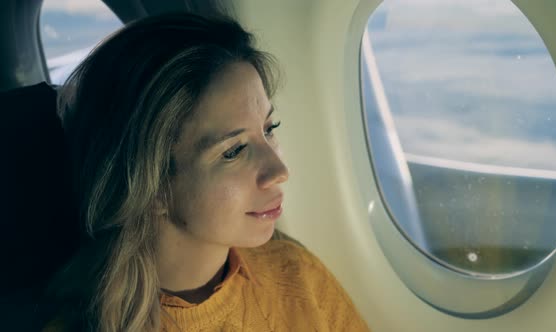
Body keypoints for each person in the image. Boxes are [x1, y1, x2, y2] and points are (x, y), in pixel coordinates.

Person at [40, 13, 369, 332]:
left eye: (269, 128)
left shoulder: (296, 274)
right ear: (150, 186)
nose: (279, 171)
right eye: (233, 151)